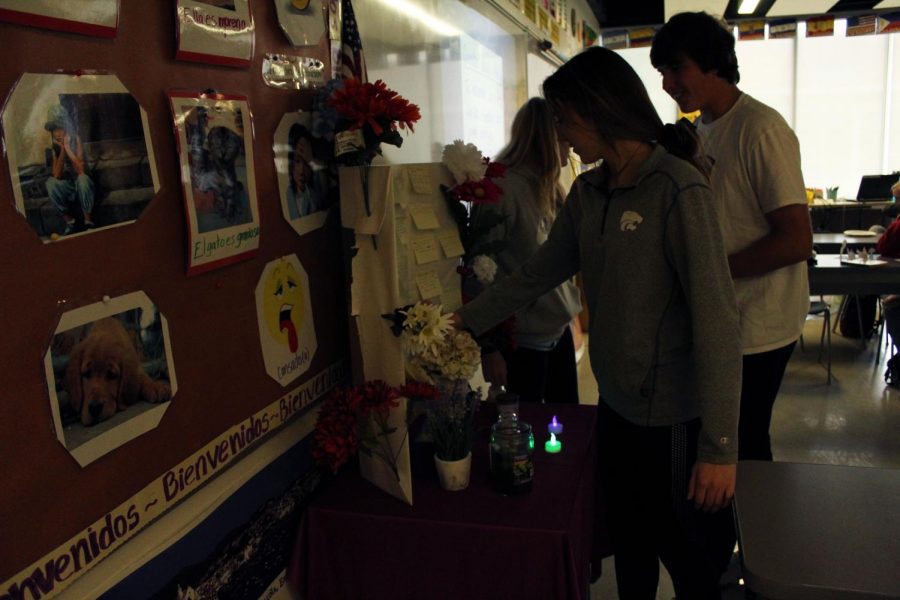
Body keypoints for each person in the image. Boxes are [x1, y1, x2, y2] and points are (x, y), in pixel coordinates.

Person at [454, 46, 742, 599]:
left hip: (674, 423)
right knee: (630, 547)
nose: (560, 134)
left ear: (596, 110)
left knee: (688, 560)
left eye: (563, 119)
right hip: (616, 408)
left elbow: (718, 322)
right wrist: (462, 322)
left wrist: (720, 448)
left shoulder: (677, 189)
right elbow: (535, 273)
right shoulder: (588, 193)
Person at [651, 12, 812, 464]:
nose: (667, 85)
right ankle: (723, 531)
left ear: (712, 62)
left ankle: (754, 532)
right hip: (722, 318)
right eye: (661, 73)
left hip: (758, 325)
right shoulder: (702, 128)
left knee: (740, 443)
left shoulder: (761, 128)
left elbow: (797, 240)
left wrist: (711, 275)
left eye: (675, 69)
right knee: (718, 438)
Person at [468, 97, 582, 404]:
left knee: (565, 428)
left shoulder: (548, 186)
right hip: (522, 345)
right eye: (565, 139)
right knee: (528, 438)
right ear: (545, 137)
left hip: (556, 334)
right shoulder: (500, 190)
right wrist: (490, 349)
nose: (571, 147)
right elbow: (478, 274)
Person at [44, 103, 95, 235]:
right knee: (50, 183)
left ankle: (88, 221)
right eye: (54, 130)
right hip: (70, 188)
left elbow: (80, 170)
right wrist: (61, 150)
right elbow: (56, 175)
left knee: (82, 179)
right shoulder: (54, 148)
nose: (57, 133)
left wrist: (67, 147)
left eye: (60, 129)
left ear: (66, 129)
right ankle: (69, 221)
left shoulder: (76, 139)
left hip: (83, 187)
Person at [286, 123, 327, 218]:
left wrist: (311, 160)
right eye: (297, 161)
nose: (301, 171)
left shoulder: (316, 192)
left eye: (306, 162)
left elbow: (322, 198)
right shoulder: (290, 193)